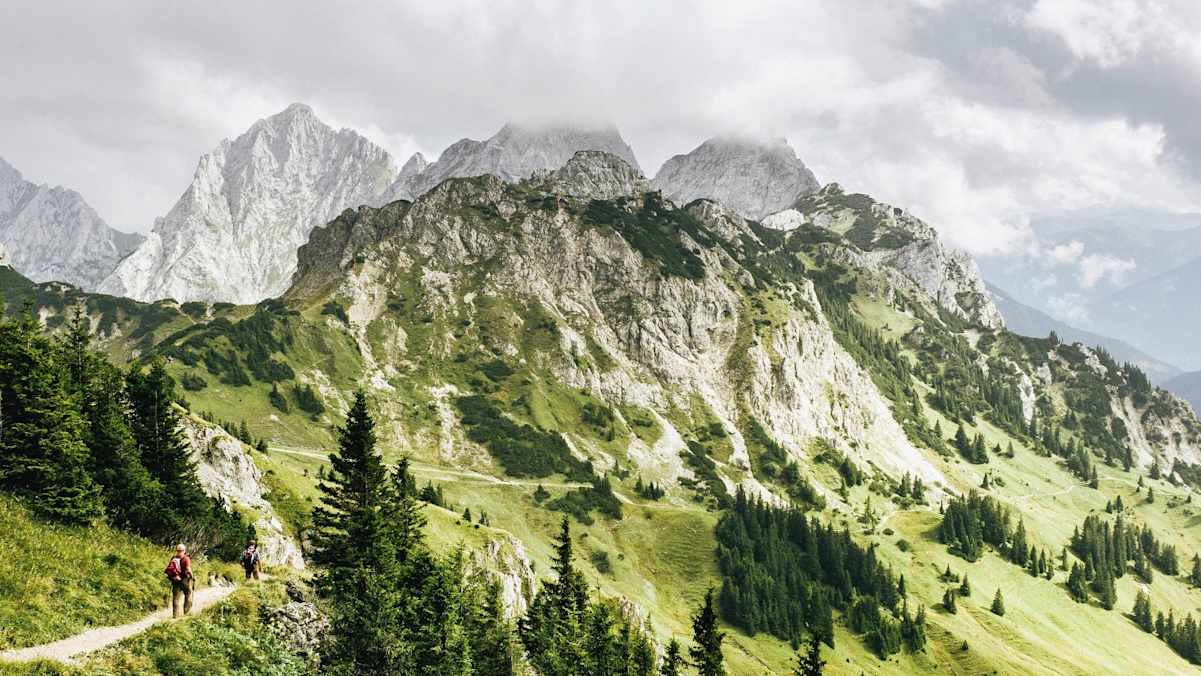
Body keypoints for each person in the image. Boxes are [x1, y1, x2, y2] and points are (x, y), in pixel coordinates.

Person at [165, 543, 194, 618]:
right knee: (188, 594)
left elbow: (169, 568)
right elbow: (188, 569)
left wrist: (174, 576)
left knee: (176, 597)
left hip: (175, 580)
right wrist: (192, 576)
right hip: (184, 580)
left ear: (177, 550)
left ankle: (175, 615)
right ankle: (186, 612)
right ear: (184, 551)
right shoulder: (186, 558)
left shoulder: (173, 558)